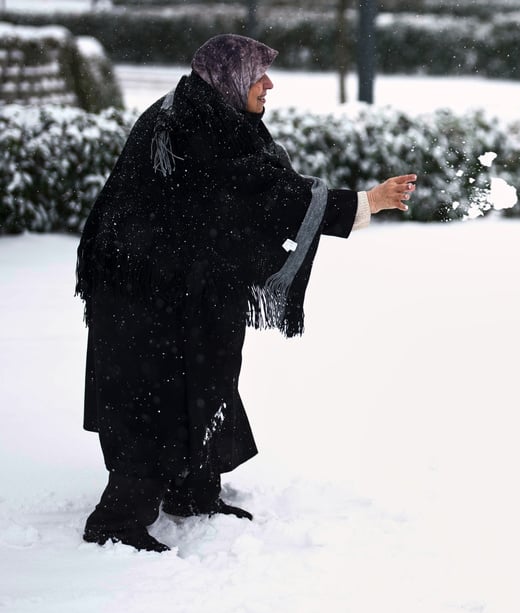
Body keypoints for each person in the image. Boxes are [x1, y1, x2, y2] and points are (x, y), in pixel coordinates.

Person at [75, 34, 417, 553]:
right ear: (229, 77)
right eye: (258, 74)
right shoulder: (194, 125)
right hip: (141, 292)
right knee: (153, 397)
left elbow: (251, 191)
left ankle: (192, 489)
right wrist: (364, 203)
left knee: (207, 373)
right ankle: (117, 521)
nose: (269, 83)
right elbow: (263, 193)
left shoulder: (210, 113)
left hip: (184, 285)